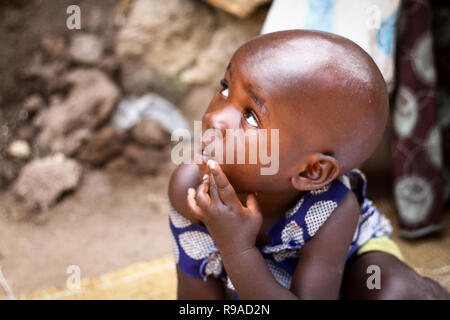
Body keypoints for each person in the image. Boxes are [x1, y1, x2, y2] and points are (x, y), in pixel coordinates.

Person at [168, 30, 450, 299]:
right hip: (264, 287)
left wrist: (236, 248)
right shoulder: (190, 191)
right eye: (226, 89)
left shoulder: (333, 209)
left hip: (350, 266)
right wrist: (233, 249)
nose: (215, 119)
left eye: (251, 117)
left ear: (310, 172)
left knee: (396, 292)